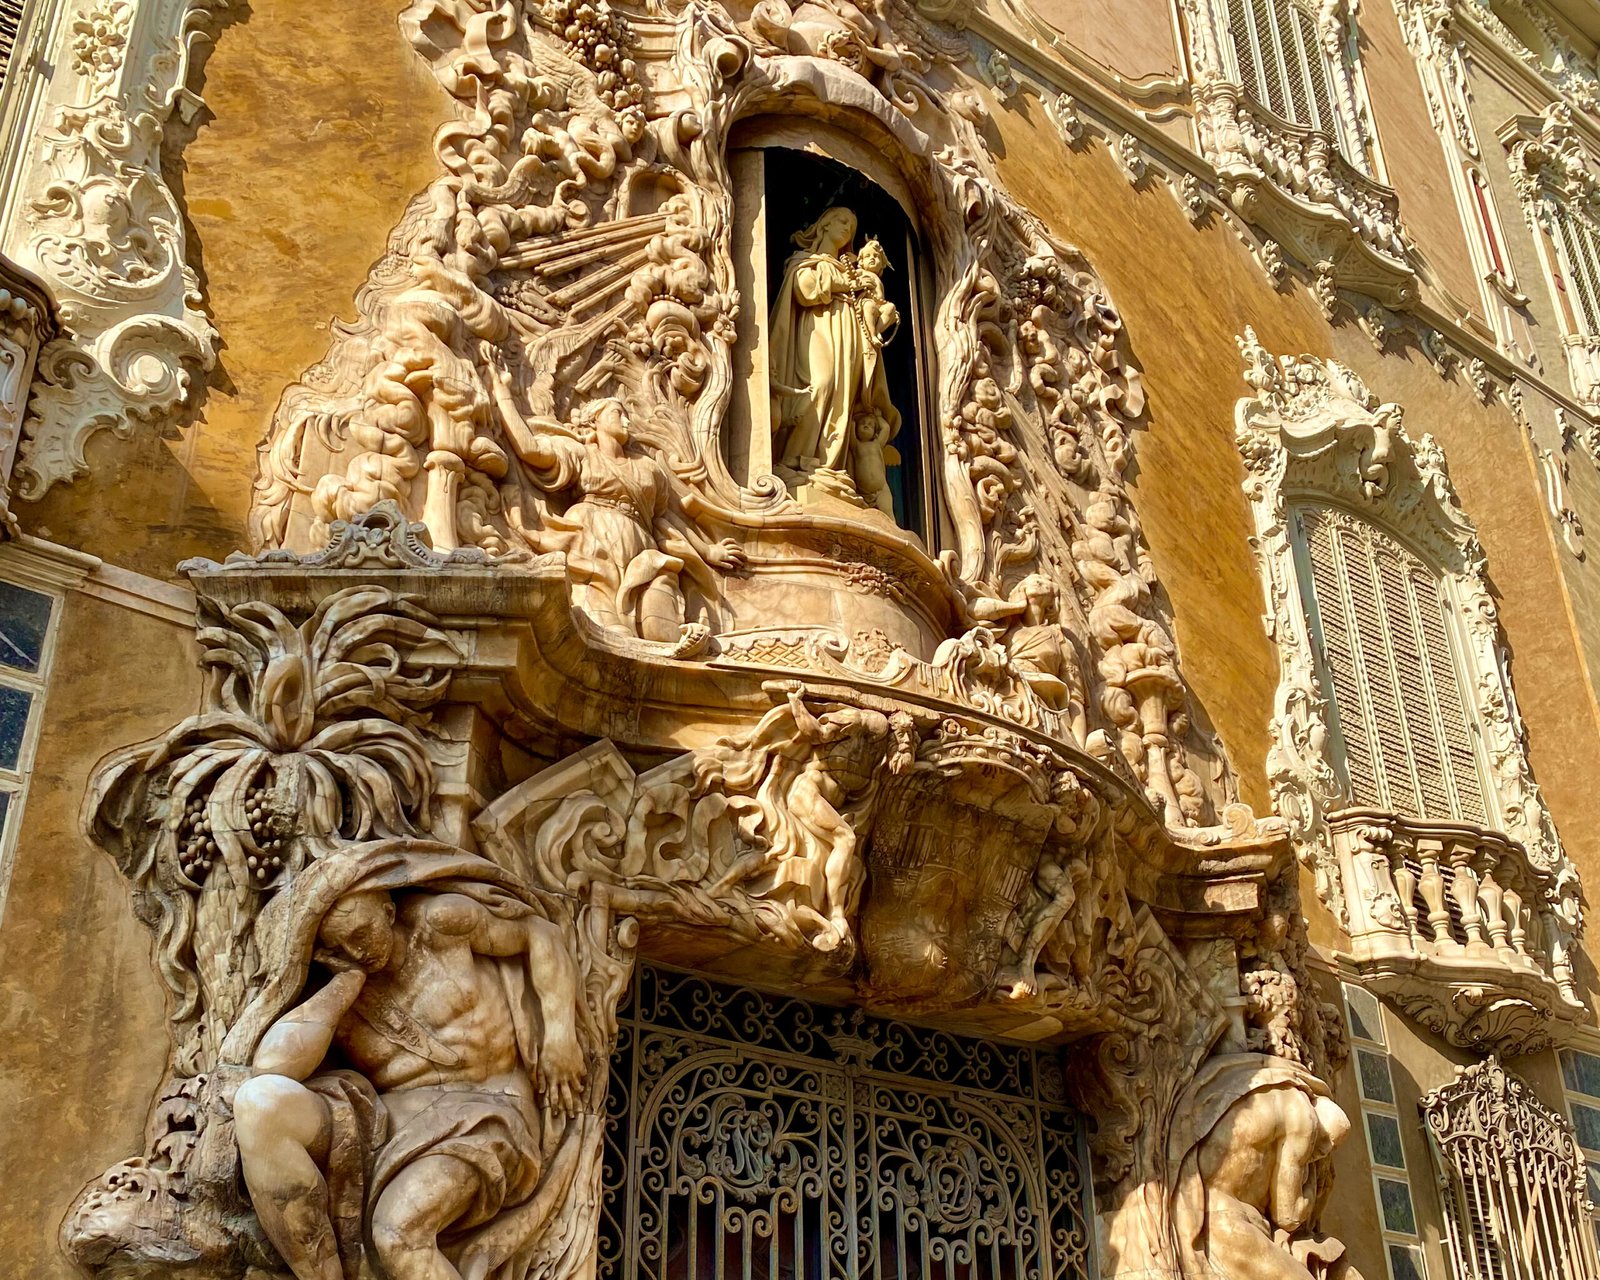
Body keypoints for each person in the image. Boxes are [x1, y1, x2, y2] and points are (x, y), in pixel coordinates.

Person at [231, 864, 588, 1280]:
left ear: (387, 909)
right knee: (259, 1105)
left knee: (399, 1233)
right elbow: (271, 1067)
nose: (357, 950)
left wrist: (560, 1033)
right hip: (387, 1122)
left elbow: (540, 934)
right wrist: (343, 984)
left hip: (486, 1113)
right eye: (340, 945)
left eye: (361, 932)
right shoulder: (345, 992)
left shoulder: (440, 924)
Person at [768, 208, 902, 504]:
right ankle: (793, 460)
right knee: (822, 384)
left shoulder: (852, 269)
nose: (846, 229)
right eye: (842, 221)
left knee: (842, 397)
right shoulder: (806, 261)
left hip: (848, 333)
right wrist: (848, 285)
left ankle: (828, 465)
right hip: (818, 325)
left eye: (852, 227)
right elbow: (805, 290)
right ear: (824, 224)